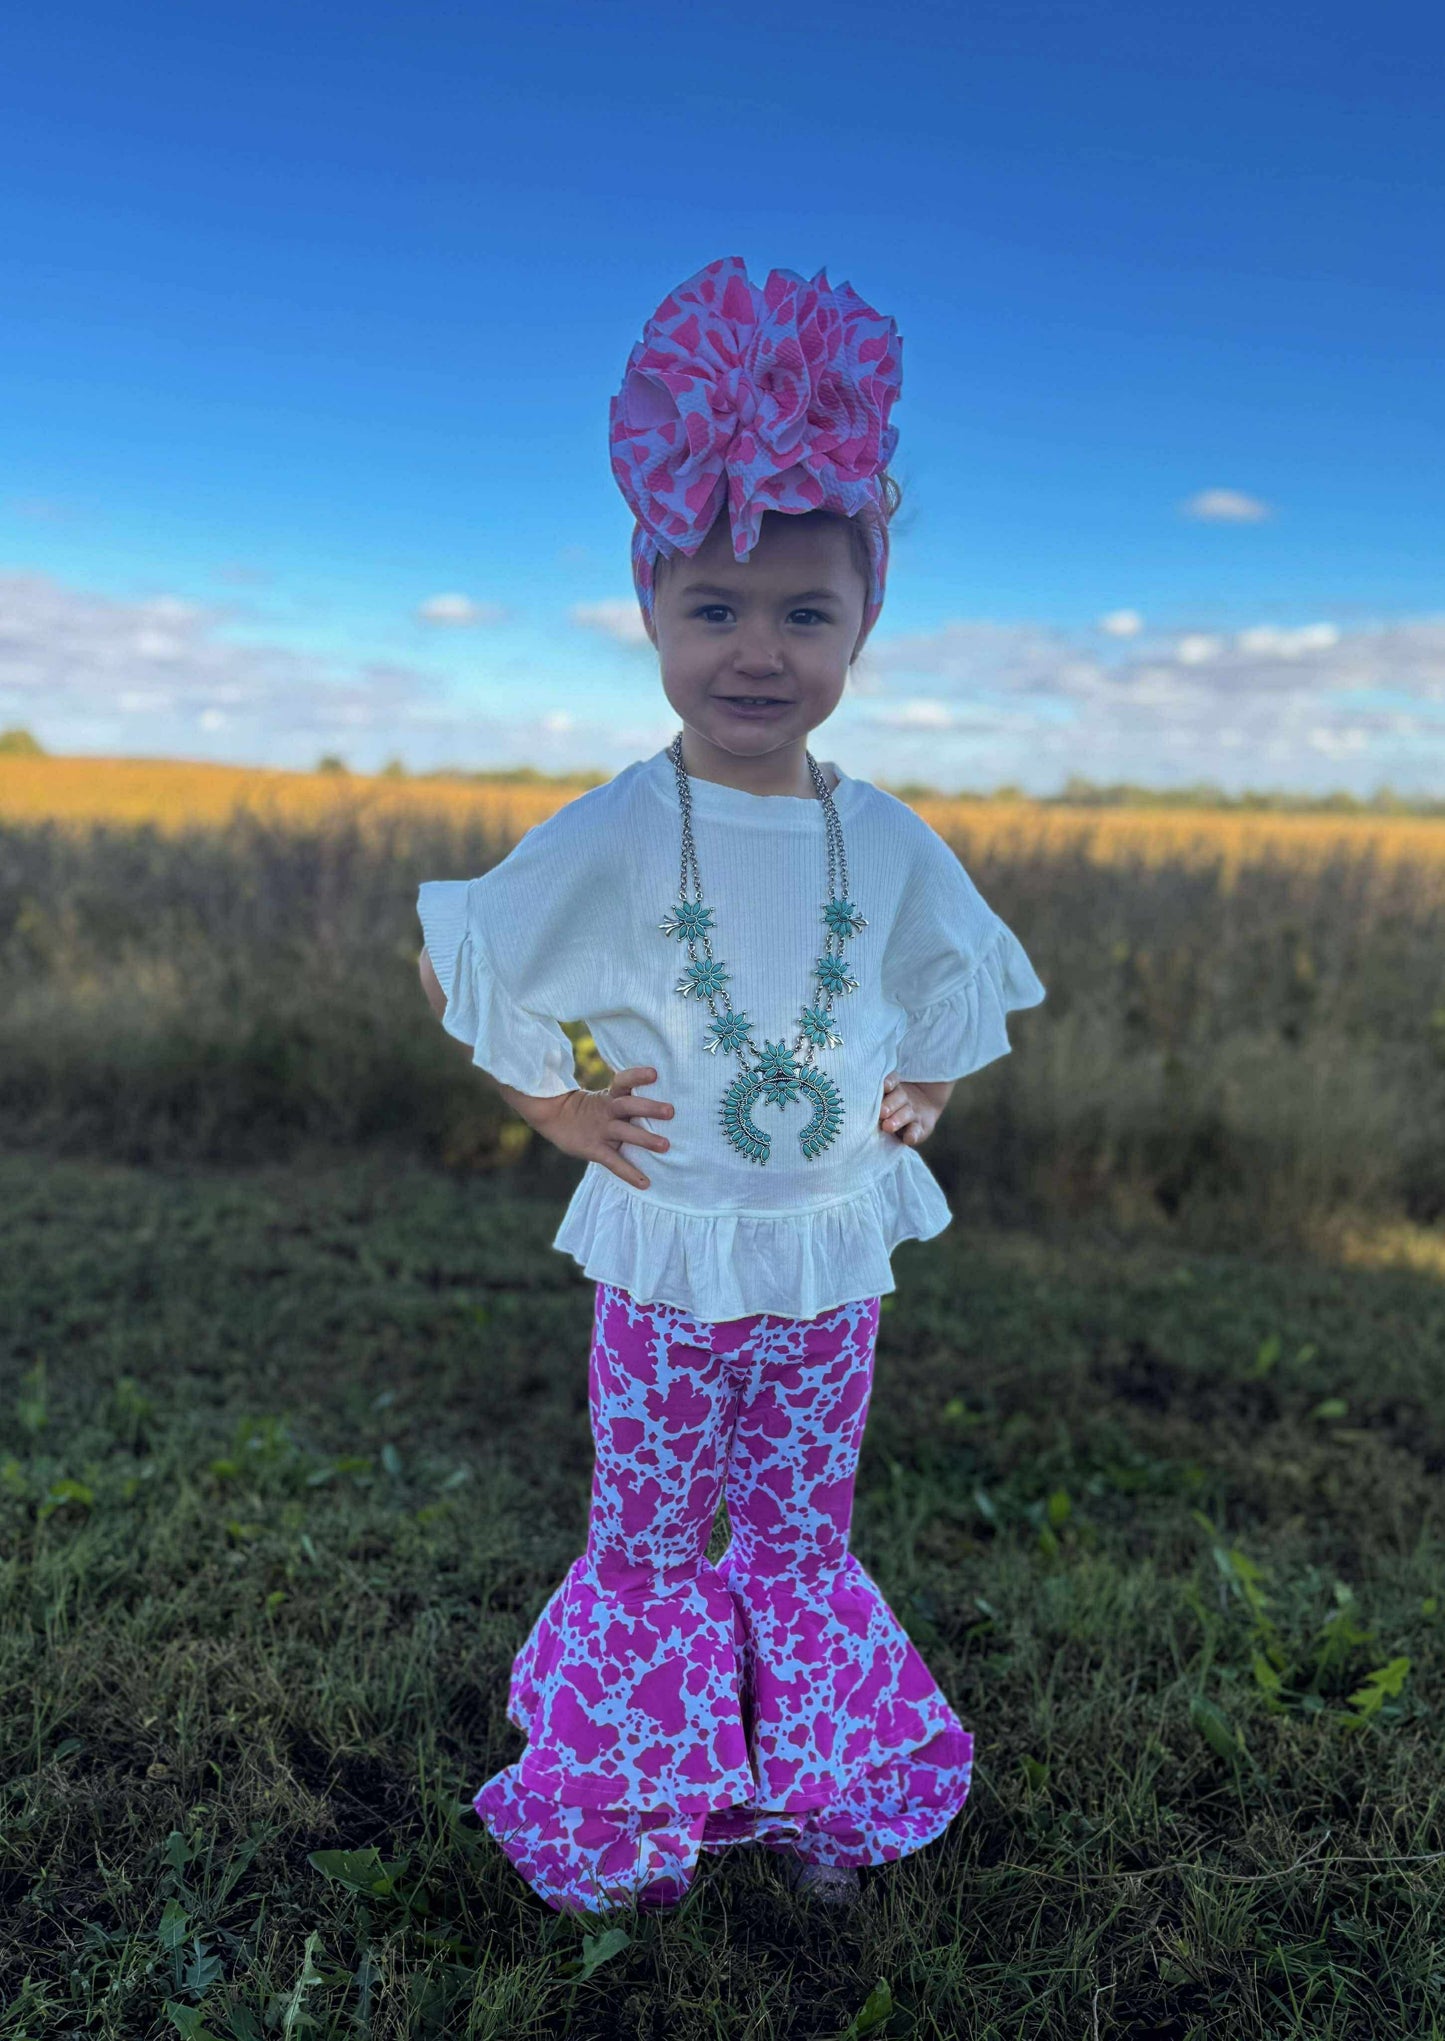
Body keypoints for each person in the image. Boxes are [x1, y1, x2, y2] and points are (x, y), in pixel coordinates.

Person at [416, 254, 1046, 1916]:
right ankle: (636, 1805)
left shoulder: (884, 835)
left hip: (830, 1258)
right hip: (672, 1251)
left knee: (793, 1530)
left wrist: (919, 1090)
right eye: (714, 608)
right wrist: (552, 1104)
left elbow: (953, 977)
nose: (756, 652)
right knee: (650, 1535)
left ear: (866, 618)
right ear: (649, 602)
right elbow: (468, 948)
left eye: (803, 613)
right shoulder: (626, 823)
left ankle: (820, 1779)